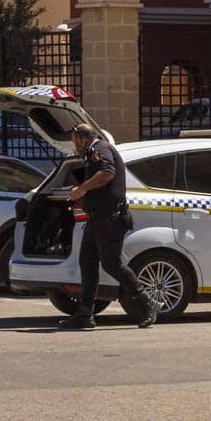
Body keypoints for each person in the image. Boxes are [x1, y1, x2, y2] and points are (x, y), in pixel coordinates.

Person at [59, 123, 157, 330]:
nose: (74, 145)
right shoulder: (93, 151)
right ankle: (85, 314)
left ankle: (148, 303)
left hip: (109, 218)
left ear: (84, 139)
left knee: (112, 264)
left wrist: (82, 189)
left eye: (75, 140)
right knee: (87, 263)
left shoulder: (99, 148)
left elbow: (107, 173)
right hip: (95, 219)